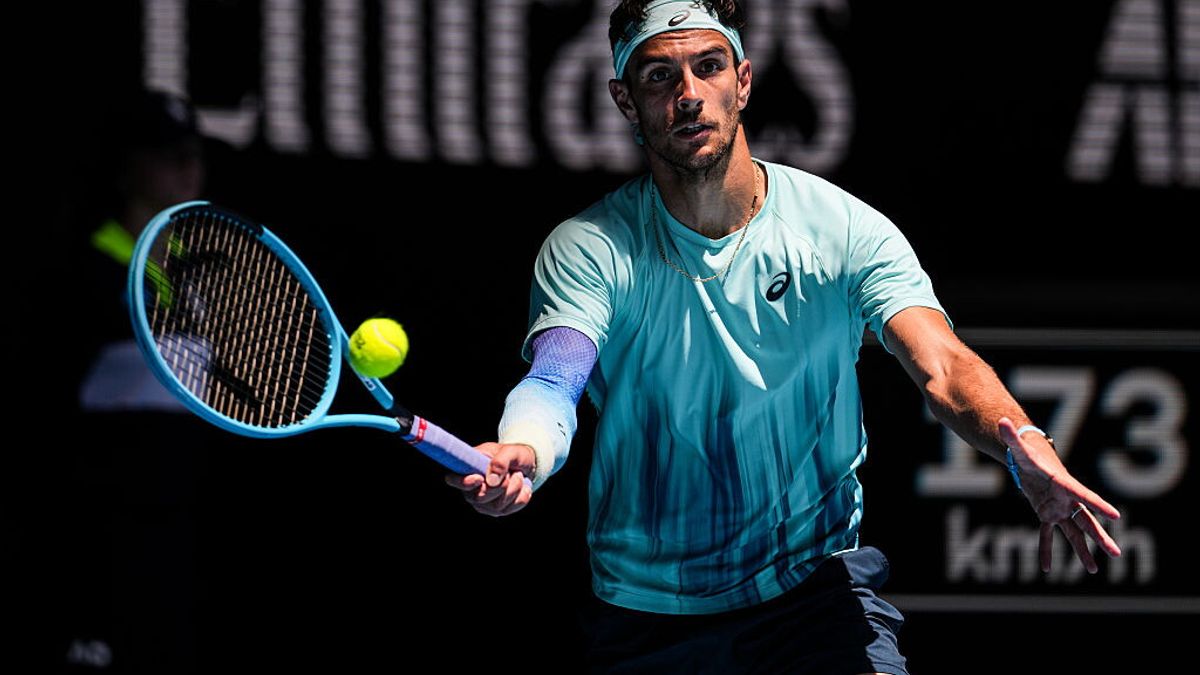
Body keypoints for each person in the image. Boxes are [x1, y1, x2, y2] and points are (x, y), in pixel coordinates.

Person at [445, 2, 1122, 672]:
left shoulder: (842, 231)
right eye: (659, 76)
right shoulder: (590, 248)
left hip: (813, 596)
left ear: (742, 81)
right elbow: (556, 375)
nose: (688, 94)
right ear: (626, 100)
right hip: (648, 614)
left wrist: (1021, 439)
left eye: (709, 67)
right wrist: (526, 448)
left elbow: (942, 364)